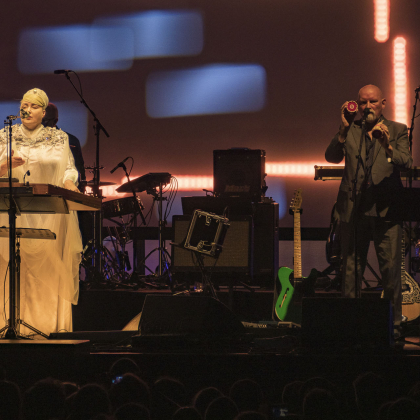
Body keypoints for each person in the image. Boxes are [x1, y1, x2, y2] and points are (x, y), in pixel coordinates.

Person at [325, 84, 413, 333]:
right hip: (354, 209)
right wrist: (342, 130)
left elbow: (406, 163)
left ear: (383, 103)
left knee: (390, 269)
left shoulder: (397, 129)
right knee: (351, 269)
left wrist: (388, 147)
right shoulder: (351, 129)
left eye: (372, 102)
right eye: (362, 103)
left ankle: (393, 325)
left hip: (386, 210)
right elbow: (331, 157)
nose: (367, 107)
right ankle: (351, 325)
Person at [0, 88, 82, 336]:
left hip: (49, 214)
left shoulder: (57, 138)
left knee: (47, 268)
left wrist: (69, 182)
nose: (27, 109)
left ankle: (45, 328)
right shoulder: (6, 135)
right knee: (14, 266)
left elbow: (69, 169)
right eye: (24, 105)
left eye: (34, 106)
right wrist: (4, 165)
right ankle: (11, 325)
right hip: (11, 210)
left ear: (44, 111)